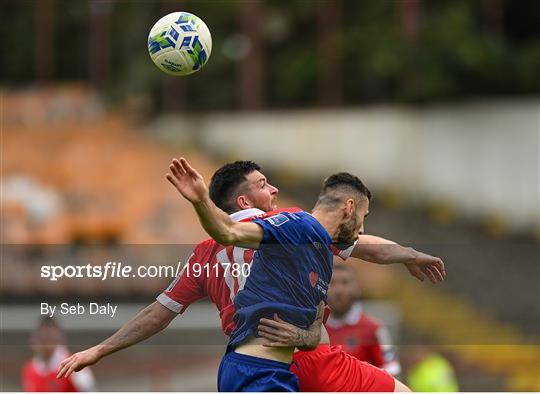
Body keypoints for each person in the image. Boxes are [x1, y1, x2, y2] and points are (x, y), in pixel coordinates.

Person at [58, 159, 444, 391]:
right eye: (263, 184)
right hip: (299, 357)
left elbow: (157, 313)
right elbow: (362, 244)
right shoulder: (291, 224)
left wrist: (100, 349)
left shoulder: (203, 258)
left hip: (257, 359)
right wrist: (408, 253)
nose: (273, 188)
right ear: (244, 200)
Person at [326, 262, 401, 375]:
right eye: (332, 283)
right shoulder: (314, 328)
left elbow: (392, 368)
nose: (339, 290)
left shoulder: (375, 328)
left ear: (357, 288)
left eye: (345, 282)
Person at [22, 317, 95, 392]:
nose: (45, 343)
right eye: (41, 338)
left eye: (49, 338)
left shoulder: (75, 366)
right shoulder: (29, 368)